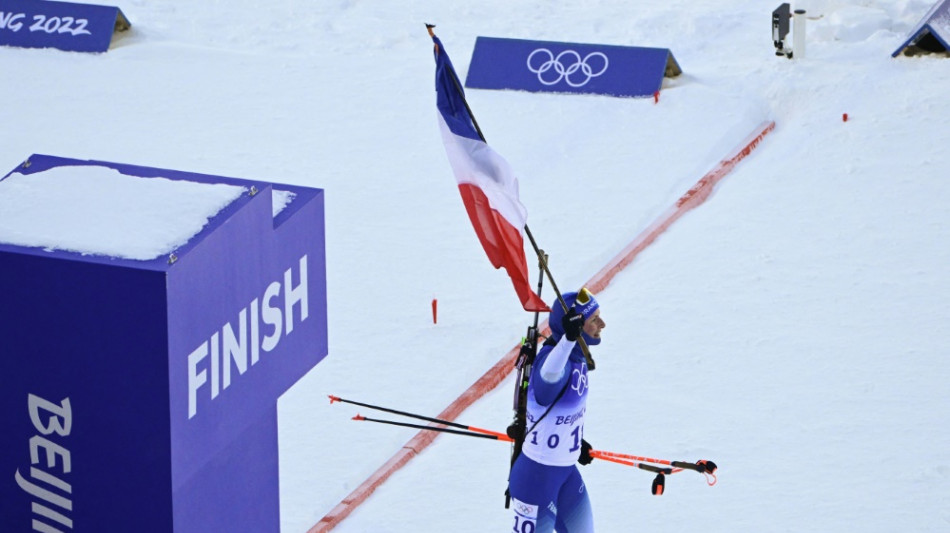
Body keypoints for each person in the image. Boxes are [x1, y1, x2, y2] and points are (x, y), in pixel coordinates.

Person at [508, 288, 606, 533]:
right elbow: (547, 380)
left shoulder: (576, 358)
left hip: (566, 473)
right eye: (594, 320)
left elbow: (561, 413)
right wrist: (568, 339)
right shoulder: (552, 361)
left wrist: (571, 443)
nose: (602, 324)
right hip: (536, 480)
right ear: (575, 328)